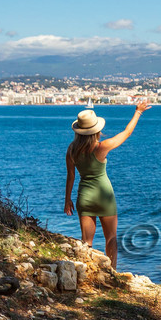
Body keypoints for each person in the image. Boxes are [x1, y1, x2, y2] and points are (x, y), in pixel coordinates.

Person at [65, 101, 150, 268]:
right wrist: (138, 112)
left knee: (86, 242)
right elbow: (127, 132)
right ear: (96, 130)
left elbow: (71, 176)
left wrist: (67, 199)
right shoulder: (101, 147)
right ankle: (112, 273)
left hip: (85, 197)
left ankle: (85, 272)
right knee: (110, 237)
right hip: (105, 196)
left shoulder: (72, 150)